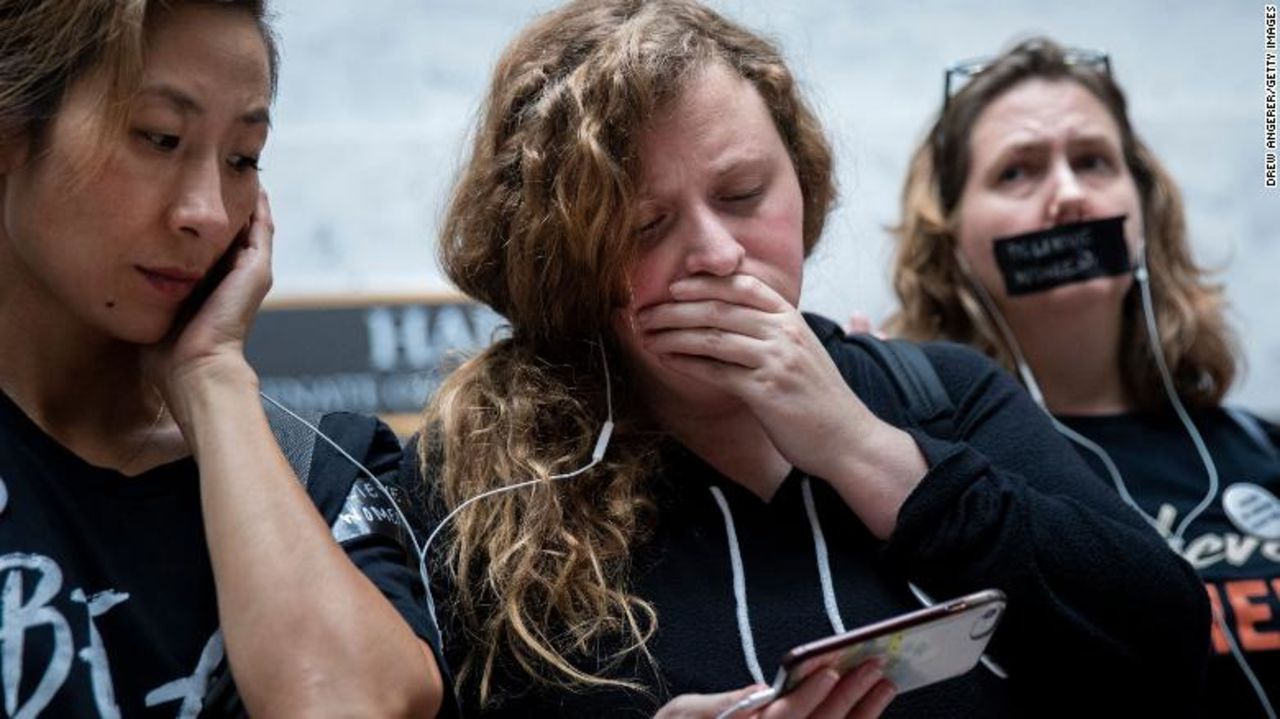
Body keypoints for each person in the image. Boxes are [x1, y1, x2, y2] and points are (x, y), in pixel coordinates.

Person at [408, 2, 1209, 717]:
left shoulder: (937, 393)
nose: (719, 256)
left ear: (802, 179)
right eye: (646, 226)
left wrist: (858, 447)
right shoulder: (484, 478)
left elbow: (1169, 638)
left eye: (743, 193)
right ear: (565, 266)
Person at [0, 1, 446, 715]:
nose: (207, 210)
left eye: (242, 158)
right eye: (159, 137)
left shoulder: (324, 467)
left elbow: (350, 702)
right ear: (13, 129)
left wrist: (213, 377)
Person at [888, 36, 1279, 718]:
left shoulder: (1264, 452)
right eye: (1017, 172)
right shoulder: (919, 480)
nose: (1069, 195)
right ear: (949, 240)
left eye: (1094, 161)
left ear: (1143, 212)